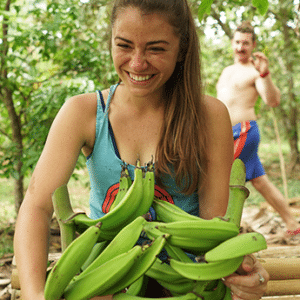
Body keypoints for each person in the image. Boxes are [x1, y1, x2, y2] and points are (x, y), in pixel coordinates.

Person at [14, 2, 269, 300]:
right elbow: (36, 205)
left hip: (186, 284)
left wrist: (245, 272)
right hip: (104, 283)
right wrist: (36, 295)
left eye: (156, 49)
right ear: (110, 40)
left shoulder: (208, 116)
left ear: (182, 48)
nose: (137, 63)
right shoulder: (83, 113)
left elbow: (214, 229)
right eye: (124, 45)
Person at [216, 21, 300, 236]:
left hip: (243, 131)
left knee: (219, 176)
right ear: (231, 43)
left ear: (253, 45)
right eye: (237, 42)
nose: (240, 47)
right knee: (260, 182)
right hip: (224, 133)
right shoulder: (226, 71)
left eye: (245, 43)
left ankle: (223, 227)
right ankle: (292, 223)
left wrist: (265, 74)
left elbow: (273, 101)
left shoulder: (255, 71)